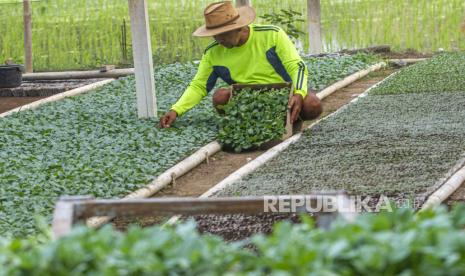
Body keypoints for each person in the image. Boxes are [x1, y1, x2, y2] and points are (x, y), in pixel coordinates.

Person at [159, 1, 322, 128]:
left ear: (240, 28)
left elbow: (296, 65)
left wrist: (299, 93)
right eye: (215, 36)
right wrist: (176, 110)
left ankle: (286, 116)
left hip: (284, 94)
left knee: (313, 105)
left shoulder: (272, 35)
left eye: (224, 34)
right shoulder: (212, 53)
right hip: (247, 99)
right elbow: (199, 86)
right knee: (220, 98)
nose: (219, 40)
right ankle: (258, 122)